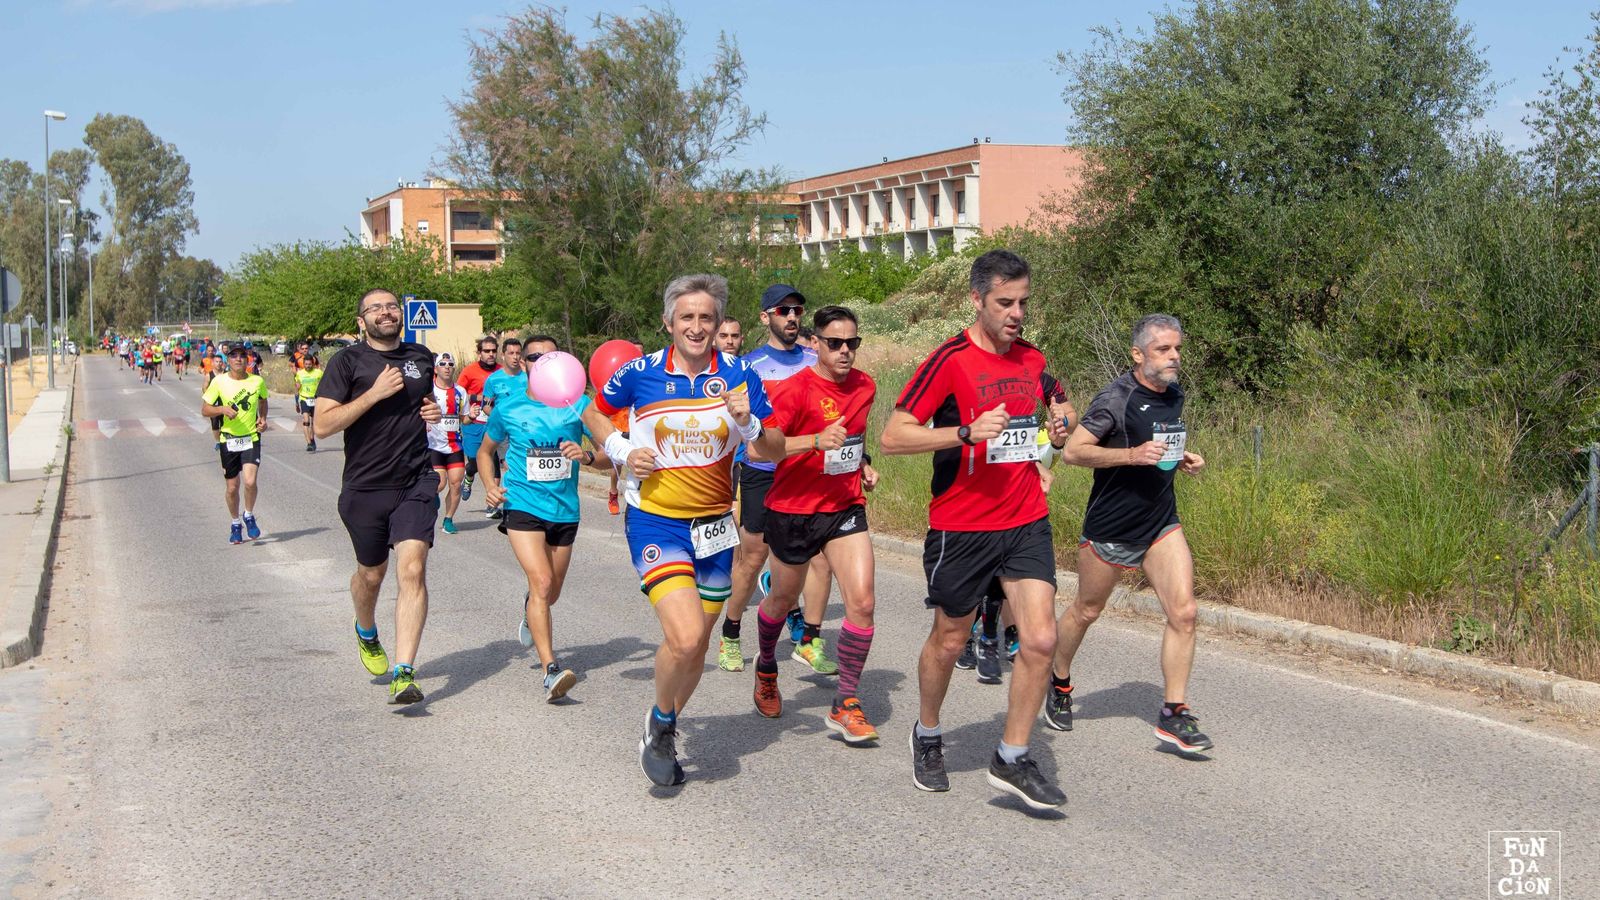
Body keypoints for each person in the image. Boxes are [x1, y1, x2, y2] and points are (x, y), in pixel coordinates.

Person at [878, 249, 1075, 810]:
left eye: (1023, 303)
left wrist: (1062, 427)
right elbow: (894, 436)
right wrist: (965, 433)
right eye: (1005, 303)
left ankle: (1012, 757)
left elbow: (1059, 404)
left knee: (1039, 638)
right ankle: (929, 732)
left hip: (1025, 519)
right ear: (977, 300)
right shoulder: (950, 360)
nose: (1016, 313)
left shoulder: (1033, 360)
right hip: (962, 527)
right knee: (950, 639)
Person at [581, 273, 785, 787]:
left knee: (695, 645)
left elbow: (774, 450)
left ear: (719, 324)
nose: (697, 327)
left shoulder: (741, 375)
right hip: (656, 520)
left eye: (707, 318)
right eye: (687, 317)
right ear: (668, 322)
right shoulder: (640, 372)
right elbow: (591, 411)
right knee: (687, 633)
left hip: (716, 527)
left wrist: (751, 425)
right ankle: (663, 724)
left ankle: (662, 720)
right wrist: (624, 450)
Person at [1046, 314, 1212, 752]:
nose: (1174, 356)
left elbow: (1161, 442)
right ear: (1138, 355)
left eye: (1177, 348)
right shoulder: (1115, 399)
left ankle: (1173, 712)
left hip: (1160, 523)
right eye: (1163, 349)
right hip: (1111, 527)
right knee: (1086, 611)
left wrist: (1180, 458)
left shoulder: (1174, 393)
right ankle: (1057, 679)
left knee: (1185, 613)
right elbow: (1075, 454)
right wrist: (1133, 454)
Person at [750, 305, 884, 742]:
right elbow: (759, 453)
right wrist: (814, 441)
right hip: (793, 509)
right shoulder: (792, 390)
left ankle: (845, 702)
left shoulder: (866, 386)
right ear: (816, 344)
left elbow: (853, 439)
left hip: (844, 507)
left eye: (853, 343)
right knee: (782, 599)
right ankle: (766, 664)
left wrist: (862, 463)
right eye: (835, 343)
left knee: (862, 603)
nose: (845, 351)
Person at [314, 288, 443, 706]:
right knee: (371, 576)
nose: (386, 313)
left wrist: (432, 413)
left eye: (391, 306)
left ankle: (404, 672)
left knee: (413, 568)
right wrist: (372, 395)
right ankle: (366, 630)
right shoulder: (346, 362)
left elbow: (426, 403)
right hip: (365, 488)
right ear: (361, 321)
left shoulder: (421, 358)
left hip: (415, 481)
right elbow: (322, 426)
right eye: (376, 308)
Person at [477, 342, 611, 702]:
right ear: (525, 362)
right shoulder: (509, 406)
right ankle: (550, 669)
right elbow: (485, 451)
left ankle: (531, 609)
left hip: (565, 510)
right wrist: (490, 486)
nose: (543, 363)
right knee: (541, 581)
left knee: (551, 592)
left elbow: (611, 457)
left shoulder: (579, 405)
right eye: (535, 357)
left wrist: (584, 456)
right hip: (521, 504)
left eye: (552, 356)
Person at [716, 284, 820, 674]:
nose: (792, 317)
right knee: (753, 557)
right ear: (766, 317)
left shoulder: (815, 359)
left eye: (797, 309)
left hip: (805, 471)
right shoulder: (747, 366)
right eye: (783, 310)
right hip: (760, 471)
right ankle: (730, 632)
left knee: (809, 554)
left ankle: (806, 632)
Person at [199, 345, 269, 545]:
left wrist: (262, 418)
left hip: (250, 437)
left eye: (242, 356)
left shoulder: (257, 381)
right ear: (228, 360)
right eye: (234, 356)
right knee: (232, 487)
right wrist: (222, 409)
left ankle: (248, 515)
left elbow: (263, 400)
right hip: (228, 439)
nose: (238, 359)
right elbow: (205, 409)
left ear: (247, 360)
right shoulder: (219, 382)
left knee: (249, 482)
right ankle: (235, 523)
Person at [480, 337, 531, 519]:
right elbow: (485, 405)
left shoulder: (528, 377)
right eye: (511, 353)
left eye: (519, 353)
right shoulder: (494, 379)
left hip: (527, 429)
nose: (515, 357)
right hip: (505, 430)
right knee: (510, 464)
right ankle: (513, 500)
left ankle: (524, 498)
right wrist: (499, 417)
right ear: (503, 355)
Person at [457, 336, 501, 507]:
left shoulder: (501, 371)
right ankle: (469, 476)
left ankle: (492, 504)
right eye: (486, 351)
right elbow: (458, 393)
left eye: (493, 351)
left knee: (493, 459)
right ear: (479, 353)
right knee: (475, 461)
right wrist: (478, 397)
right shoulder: (469, 371)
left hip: (494, 421)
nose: (490, 354)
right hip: (473, 421)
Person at [427, 353, 469, 534]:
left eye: (450, 364)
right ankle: (433, 495)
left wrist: (472, 416)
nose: (446, 366)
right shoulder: (429, 391)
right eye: (442, 364)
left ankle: (448, 519)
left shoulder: (460, 392)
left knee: (456, 483)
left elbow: (464, 419)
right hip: (433, 445)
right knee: (440, 483)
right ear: (436, 369)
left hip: (454, 446)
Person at [295, 353, 324, 452]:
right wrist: (296, 402)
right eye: (306, 364)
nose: (308, 366)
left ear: (313, 363)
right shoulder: (300, 373)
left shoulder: (318, 373)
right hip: (304, 398)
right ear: (303, 364)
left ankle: (312, 439)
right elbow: (297, 388)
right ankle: (308, 443)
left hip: (315, 399)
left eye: (309, 364)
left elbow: (324, 384)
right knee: (306, 420)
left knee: (313, 423)